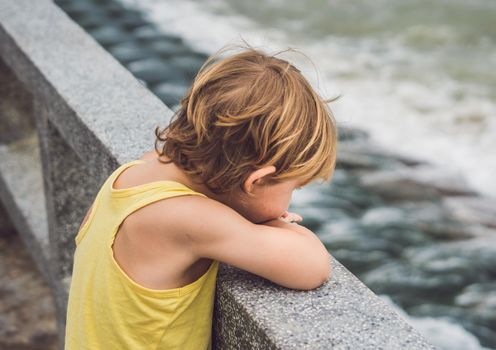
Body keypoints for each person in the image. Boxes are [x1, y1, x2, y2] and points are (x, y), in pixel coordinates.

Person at [64, 42, 340, 349]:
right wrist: (274, 223)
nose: (289, 202)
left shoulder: (135, 172)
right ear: (255, 181)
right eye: (292, 189)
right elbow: (312, 267)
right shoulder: (188, 219)